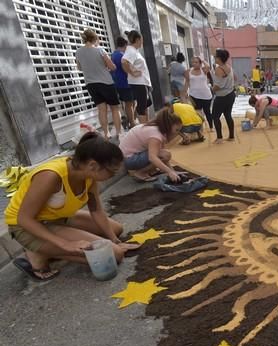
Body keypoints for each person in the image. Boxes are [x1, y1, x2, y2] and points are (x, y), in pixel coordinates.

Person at [5, 133, 138, 281]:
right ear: (93, 165)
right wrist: (66, 244)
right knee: (115, 254)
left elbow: (96, 211)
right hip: (26, 226)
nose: (113, 175)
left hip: (57, 218)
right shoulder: (50, 176)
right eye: (112, 172)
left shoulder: (88, 175)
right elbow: (23, 218)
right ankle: (38, 254)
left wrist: (115, 240)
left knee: (115, 230)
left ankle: (49, 247)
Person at [75, 29, 122, 139]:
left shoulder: (78, 52)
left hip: (91, 84)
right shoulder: (100, 50)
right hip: (106, 82)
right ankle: (119, 133)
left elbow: (79, 68)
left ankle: (106, 134)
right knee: (115, 108)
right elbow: (112, 67)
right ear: (94, 39)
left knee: (101, 109)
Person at [119, 108, 183, 183]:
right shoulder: (156, 135)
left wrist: (173, 171)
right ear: (168, 126)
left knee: (164, 154)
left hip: (127, 157)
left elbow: (162, 154)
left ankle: (146, 171)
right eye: (176, 130)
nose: (177, 133)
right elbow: (153, 157)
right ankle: (140, 173)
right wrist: (169, 172)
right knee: (164, 155)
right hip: (128, 160)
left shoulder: (157, 129)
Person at [121, 30, 152, 124]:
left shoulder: (134, 51)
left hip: (142, 82)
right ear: (138, 39)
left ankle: (147, 125)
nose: (142, 42)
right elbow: (124, 62)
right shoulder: (131, 51)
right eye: (142, 40)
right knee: (142, 107)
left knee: (146, 104)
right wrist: (132, 73)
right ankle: (144, 129)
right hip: (138, 83)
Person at [111, 36, 136, 130]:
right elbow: (126, 69)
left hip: (118, 83)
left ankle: (130, 120)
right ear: (125, 45)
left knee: (129, 103)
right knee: (129, 104)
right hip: (125, 83)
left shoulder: (113, 55)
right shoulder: (121, 56)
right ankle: (132, 123)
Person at [211, 49, 236, 144]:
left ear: (219, 58)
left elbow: (218, 85)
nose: (214, 58)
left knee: (215, 116)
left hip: (222, 96)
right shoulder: (229, 67)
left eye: (215, 57)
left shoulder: (219, 69)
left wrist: (211, 90)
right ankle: (231, 136)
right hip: (231, 94)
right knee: (228, 115)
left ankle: (219, 138)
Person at [183, 57, 213, 132]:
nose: (194, 64)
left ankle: (211, 127)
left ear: (200, 63)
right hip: (194, 95)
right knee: (197, 112)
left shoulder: (203, 70)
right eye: (193, 62)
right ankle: (200, 128)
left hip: (206, 95)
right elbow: (186, 82)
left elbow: (208, 66)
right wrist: (185, 92)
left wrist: (203, 60)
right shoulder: (188, 71)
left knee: (207, 112)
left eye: (196, 62)